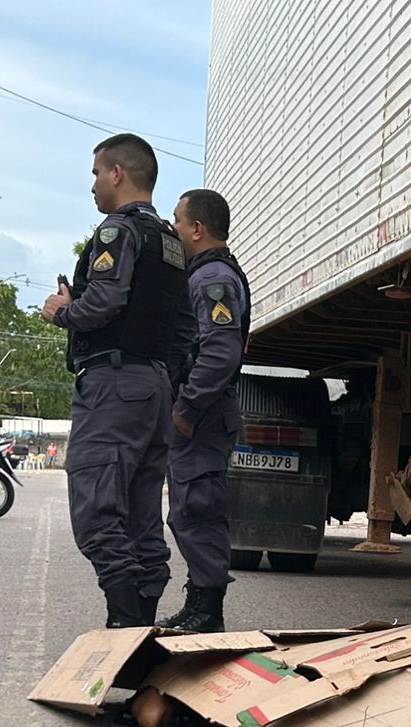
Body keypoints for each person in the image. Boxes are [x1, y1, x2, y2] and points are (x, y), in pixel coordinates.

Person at [39, 132, 191, 628]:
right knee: (142, 512)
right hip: (154, 386)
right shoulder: (170, 240)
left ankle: (126, 627)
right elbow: (184, 327)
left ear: (117, 173)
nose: (92, 186)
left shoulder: (116, 232)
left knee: (97, 507)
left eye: (95, 174)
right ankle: (141, 631)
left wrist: (63, 310)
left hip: (114, 383)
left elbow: (103, 303)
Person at [163, 187, 251, 633]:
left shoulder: (211, 277)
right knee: (188, 510)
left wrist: (187, 409)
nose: (174, 228)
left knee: (197, 508)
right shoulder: (207, 273)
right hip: (205, 413)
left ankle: (207, 611)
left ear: (196, 229)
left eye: (178, 221)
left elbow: (220, 353)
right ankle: (199, 602)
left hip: (204, 415)